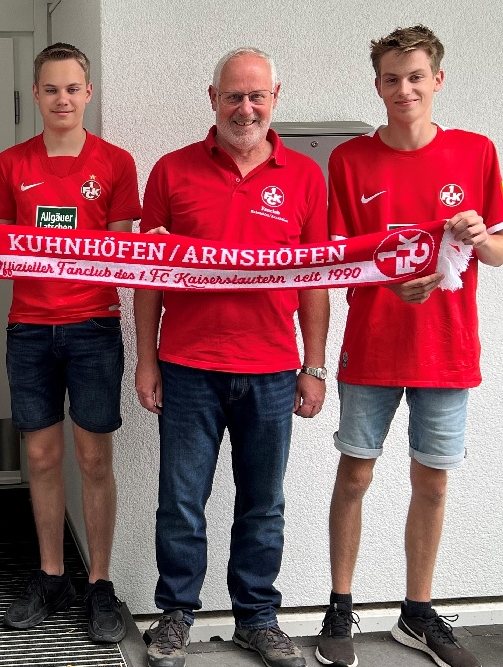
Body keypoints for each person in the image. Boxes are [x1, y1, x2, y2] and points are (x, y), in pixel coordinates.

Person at [314, 25, 503, 667]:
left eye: (416, 76)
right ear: (377, 85)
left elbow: (501, 250)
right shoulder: (349, 161)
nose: (405, 89)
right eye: (392, 79)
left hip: (447, 350)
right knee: (356, 473)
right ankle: (338, 610)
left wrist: (478, 237)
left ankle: (416, 615)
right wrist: (394, 285)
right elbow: (336, 261)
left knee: (432, 483)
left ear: (438, 80)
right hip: (371, 345)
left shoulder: (476, 152)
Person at [135, 48, 329, 667]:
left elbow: (315, 279)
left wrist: (314, 365)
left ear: (276, 97)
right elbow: (146, 277)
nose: (246, 109)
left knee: (263, 503)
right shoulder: (169, 171)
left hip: (273, 370)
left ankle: (257, 618)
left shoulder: (304, 177)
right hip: (188, 366)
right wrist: (146, 360)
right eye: (233, 96)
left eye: (257, 96)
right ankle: (175, 615)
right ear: (212, 96)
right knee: (181, 500)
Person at [0, 42, 141, 643]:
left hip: (94, 328)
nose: (62, 99)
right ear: (37, 94)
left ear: (88, 92)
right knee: (43, 458)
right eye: (51, 89)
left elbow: (130, 252)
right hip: (28, 329)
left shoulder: (116, 162)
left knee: (95, 459)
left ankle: (99, 583)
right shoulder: (10, 163)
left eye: (72, 88)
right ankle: (52, 576)